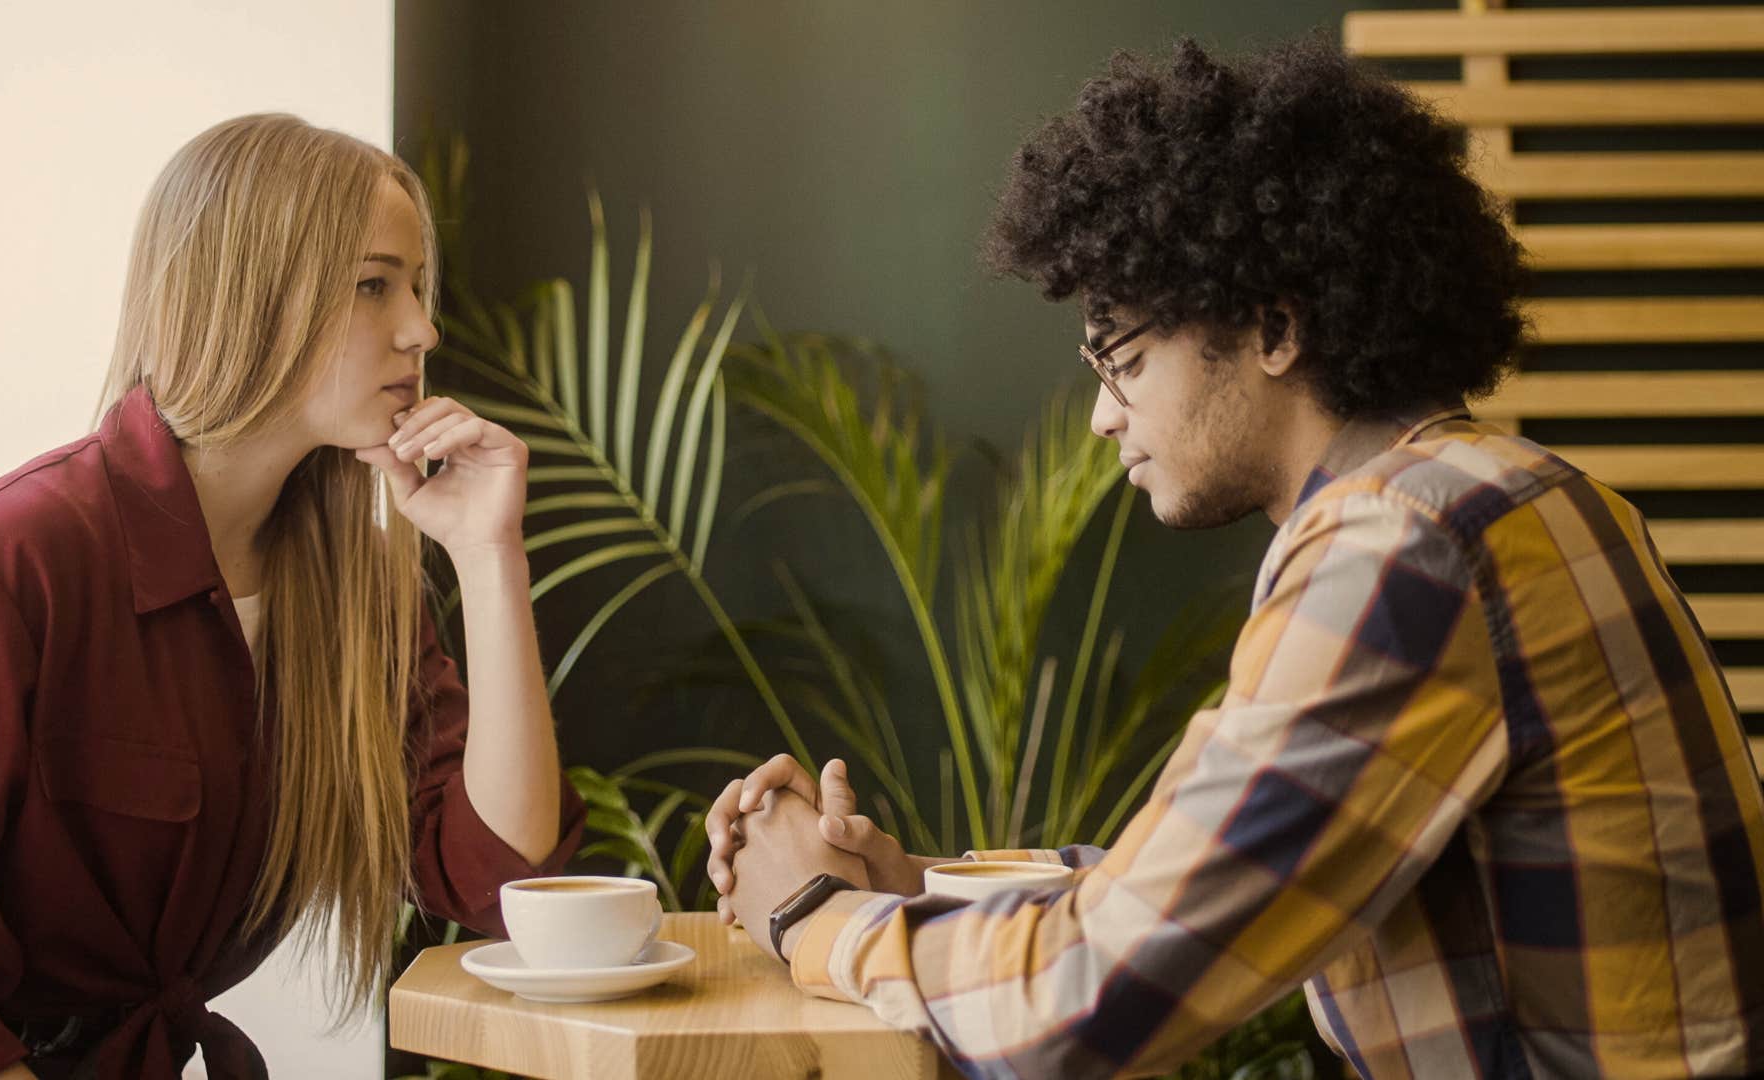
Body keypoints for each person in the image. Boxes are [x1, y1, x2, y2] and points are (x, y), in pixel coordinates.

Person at [705, 37, 1764, 1078]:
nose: (1099, 422)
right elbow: (1186, 886)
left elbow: (1088, 1005)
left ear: (1270, 328)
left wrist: (815, 917)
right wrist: (912, 886)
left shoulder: (1407, 545)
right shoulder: (1520, 495)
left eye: (1122, 360)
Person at [0, 114, 585, 1079]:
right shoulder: (0, 568)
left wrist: (491, 555)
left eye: (414, 285)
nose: (422, 329)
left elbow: (503, 883)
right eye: (374, 284)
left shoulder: (356, 594)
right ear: (254, 296)